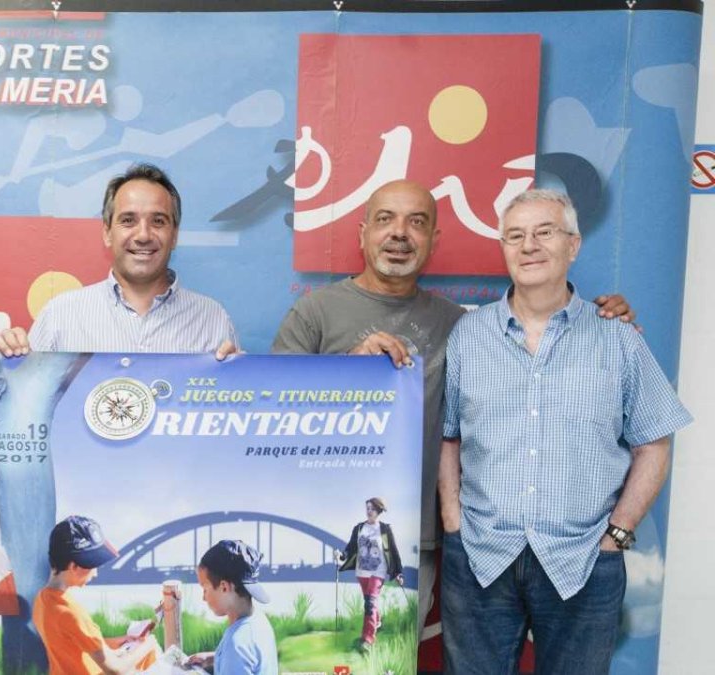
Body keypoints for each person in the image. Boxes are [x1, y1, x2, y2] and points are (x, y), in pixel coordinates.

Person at [269, 179, 635, 642]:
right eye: (385, 219)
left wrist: (607, 317)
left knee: (380, 659)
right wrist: (346, 372)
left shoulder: (462, 327)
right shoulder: (314, 313)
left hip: (413, 538)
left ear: (434, 241)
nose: (399, 233)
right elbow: (271, 408)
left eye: (416, 222)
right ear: (362, 233)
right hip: (314, 522)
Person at [437, 189, 692, 675]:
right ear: (504, 249)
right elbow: (449, 436)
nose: (528, 245)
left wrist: (617, 534)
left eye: (544, 232)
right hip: (479, 555)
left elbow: (654, 442)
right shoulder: (469, 336)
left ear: (573, 246)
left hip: (585, 558)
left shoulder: (617, 336)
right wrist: (453, 521)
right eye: (515, 236)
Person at [0, 163, 236, 357]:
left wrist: (239, 380)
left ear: (174, 235)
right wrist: (7, 361)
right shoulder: (61, 316)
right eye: (128, 220)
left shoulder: (212, 319)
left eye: (158, 221)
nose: (143, 235)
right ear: (107, 233)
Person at [33, 515, 160, 674]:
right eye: (93, 566)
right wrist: (148, 645)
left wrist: (119, 642)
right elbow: (116, 670)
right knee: (151, 654)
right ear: (74, 566)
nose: (95, 574)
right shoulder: (71, 613)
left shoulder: (43, 600)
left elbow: (75, 644)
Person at [188, 539, 278, 675]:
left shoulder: (236, 644)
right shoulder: (258, 620)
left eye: (205, 589)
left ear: (224, 587)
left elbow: (239, 653)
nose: (204, 597)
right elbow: (248, 658)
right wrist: (214, 658)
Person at [338, 497, 404, 653]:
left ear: (378, 511)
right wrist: (341, 555)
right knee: (370, 603)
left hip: (378, 571)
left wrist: (398, 572)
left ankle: (367, 640)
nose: (369, 511)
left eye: (372, 509)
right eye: (367, 508)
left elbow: (393, 551)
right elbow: (351, 546)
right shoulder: (359, 528)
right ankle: (377, 621)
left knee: (369, 603)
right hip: (362, 572)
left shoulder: (385, 529)